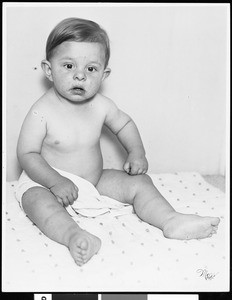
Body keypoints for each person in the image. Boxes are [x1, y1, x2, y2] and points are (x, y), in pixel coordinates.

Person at [16, 17, 220, 266]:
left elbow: (124, 124)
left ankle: (170, 220)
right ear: (49, 70)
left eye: (91, 69)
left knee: (140, 183)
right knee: (36, 202)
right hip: (46, 182)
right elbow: (27, 154)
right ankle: (74, 236)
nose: (79, 76)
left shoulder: (101, 105)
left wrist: (136, 152)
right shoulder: (42, 111)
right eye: (68, 66)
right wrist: (55, 181)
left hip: (94, 180)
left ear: (104, 73)